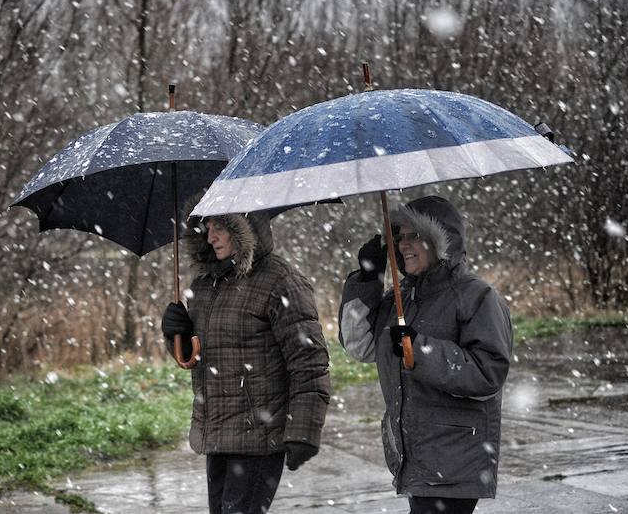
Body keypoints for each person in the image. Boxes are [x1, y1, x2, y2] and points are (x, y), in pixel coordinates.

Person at [338, 196, 512, 514]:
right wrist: (366, 280)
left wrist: (419, 350)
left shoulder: (477, 296)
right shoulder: (402, 297)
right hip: (414, 457)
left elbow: (489, 372)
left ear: (439, 239)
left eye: (413, 235)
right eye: (399, 236)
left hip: (452, 458)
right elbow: (359, 344)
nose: (403, 245)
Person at [161, 200, 330, 514]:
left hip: (258, 436)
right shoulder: (205, 285)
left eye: (220, 227)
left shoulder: (280, 282)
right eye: (206, 227)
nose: (210, 236)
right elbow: (194, 360)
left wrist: (304, 431)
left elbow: (309, 362)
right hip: (217, 435)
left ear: (245, 228)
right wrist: (175, 336)